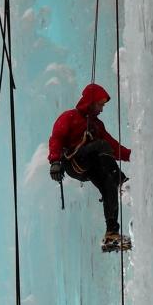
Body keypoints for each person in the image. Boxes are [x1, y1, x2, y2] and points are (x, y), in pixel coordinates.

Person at [48, 83, 131, 251]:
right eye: (100, 104)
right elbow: (56, 137)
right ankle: (122, 180)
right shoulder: (70, 117)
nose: (101, 109)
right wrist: (55, 162)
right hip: (74, 162)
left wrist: (133, 156)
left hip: (90, 166)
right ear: (90, 102)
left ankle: (111, 235)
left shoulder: (97, 125)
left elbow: (113, 147)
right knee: (100, 145)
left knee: (109, 186)